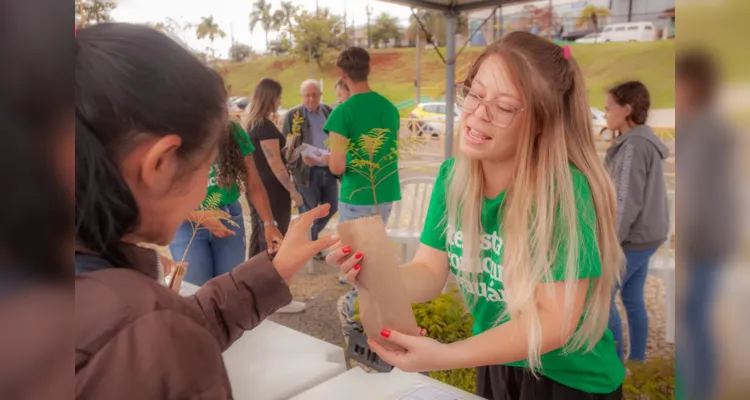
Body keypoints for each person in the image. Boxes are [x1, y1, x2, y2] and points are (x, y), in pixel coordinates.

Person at [328, 34, 625, 399]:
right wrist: (374, 274)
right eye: (475, 93)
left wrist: (447, 356)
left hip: (571, 381)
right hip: (497, 357)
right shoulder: (453, 177)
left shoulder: (564, 192)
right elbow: (429, 272)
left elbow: (553, 321)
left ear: (541, 123)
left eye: (503, 107)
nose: (477, 113)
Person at [74, 23, 337, 398]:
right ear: (160, 164)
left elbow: (166, 329)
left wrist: (276, 268)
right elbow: (157, 336)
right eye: (208, 164)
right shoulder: (147, 333)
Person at [675, 50, 737, 400]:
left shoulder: (702, 128)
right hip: (711, 238)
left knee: (695, 322)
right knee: (697, 321)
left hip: (704, 241)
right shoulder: (708, 126)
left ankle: (699, 390)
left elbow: (693, 193)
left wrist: (682, 239)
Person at [167, 117, 283, 286]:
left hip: (228, 218)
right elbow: (157, 197)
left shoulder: (231, 131)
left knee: (229, 288)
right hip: (186, 222)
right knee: (196, 292)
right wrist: (198, 216)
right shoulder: (171, 133)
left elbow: (253, 182)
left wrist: (269, 223)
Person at [603, 81, 670, 363]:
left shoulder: (633, 146)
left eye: (608, 109)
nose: (605, 115)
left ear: (627, 109)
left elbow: (624, 202)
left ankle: (615, 366)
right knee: (632, 298)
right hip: (647, 235)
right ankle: (637, 363)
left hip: (632, 238)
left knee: (600, 300)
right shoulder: (643, 140)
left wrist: (609, 242)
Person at [244, 78, 307, 313]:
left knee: (259, 238)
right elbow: (275, 164)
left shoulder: (251, 124)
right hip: (271, 189)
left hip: (256, 186)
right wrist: (294, 191)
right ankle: (274, 297)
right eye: (278, 96)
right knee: (274, 240)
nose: (280, 101)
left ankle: (252, 290)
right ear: (271, 97)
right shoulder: (265, 127)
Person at [323, 47, 401, 223]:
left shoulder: (342, 113)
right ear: (368, 69)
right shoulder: (390, 108)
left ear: (342, 73)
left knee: (353, 251)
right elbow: (391, 150)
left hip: (356, 194)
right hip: (385, 193)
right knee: (374, 248)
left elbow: (337, 167)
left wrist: (327, 159)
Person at [282, 79, 337, 259]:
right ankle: (311, 246)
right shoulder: (293, 115)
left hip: (328, 169)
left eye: (315, 94)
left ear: (321, 95)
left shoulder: (329, 111)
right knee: (309, 212)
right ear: (302, 96)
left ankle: (308, 239)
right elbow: (286, 148)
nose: (311, 98)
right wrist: (300, 158)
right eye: (307, 95)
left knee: (332, 206)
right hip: (306, 173)